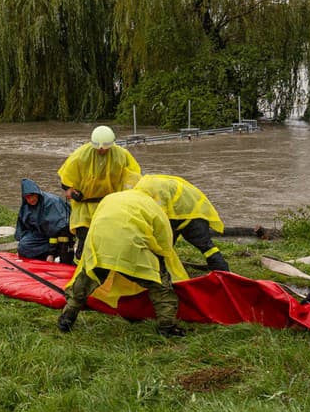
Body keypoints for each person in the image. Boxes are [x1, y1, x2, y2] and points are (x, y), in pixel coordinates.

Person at [56, 188, 189, 337]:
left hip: (100, 245)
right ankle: (167, 327)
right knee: (160, 286)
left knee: (85, 280)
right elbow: (164, 241)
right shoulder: (152, 205)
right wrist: (159, 260)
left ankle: (66, 318)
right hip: (131, 247)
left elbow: (96, 222)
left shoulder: (111, 198)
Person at [57, 125, 141, 261]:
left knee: (109, 235)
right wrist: (70, 190)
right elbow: (66, 178)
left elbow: (134, 175)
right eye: (99, 149)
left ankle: (106, 265)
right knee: (84, 235)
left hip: (110, 204)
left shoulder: (122, 155)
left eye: (105, 149)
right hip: (84, 205)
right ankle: (81, 266)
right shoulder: (80, 155)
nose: (102, 151)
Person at [135, 173, 229, 273]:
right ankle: (220, 269)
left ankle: (221, 271)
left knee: (205, 246)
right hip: (190, 211)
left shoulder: (147, 190)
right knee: (204, 246)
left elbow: (157, 213)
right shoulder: (149, 185)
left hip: (191, 214)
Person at [16, 178, 74, 262]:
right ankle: (44, 255)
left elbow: (59, 228)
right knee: (23, 247)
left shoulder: (52, 203)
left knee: (63, 245)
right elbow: (23, 228)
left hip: (60, 235)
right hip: (42, 236)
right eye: (27, 198)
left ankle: (55, 254)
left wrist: (51, 254)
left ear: (37, 194)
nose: (31, 200)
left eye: (32, 196)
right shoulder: (26, 207)